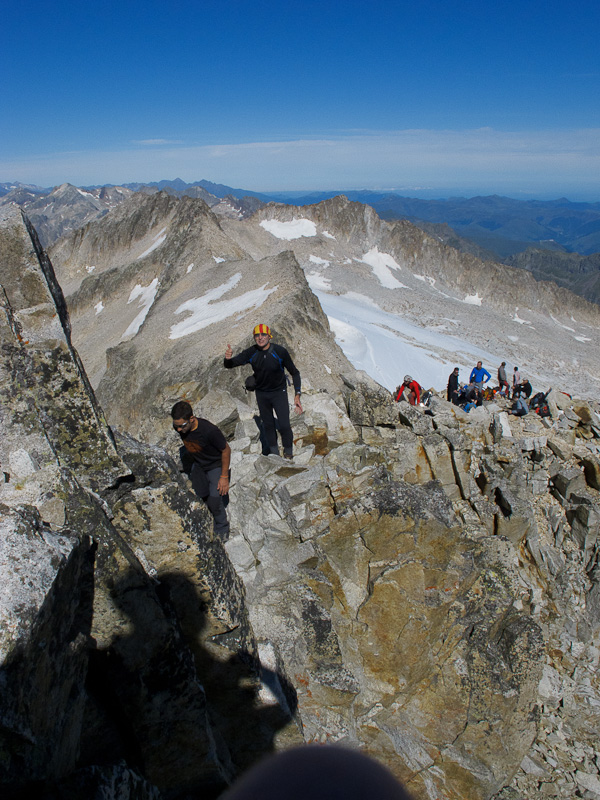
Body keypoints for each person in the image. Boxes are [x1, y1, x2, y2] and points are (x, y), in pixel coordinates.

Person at [224, 324, 302, 460]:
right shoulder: (251, 352)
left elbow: (295, 373)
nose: (260, 338)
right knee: (268, 424)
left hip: (279, 392)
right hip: (262, 393)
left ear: (269, 336)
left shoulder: (279, 351)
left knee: (284, 424)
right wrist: (227, 358)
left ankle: (288, 453)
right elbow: (230, 365)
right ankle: (274, 456)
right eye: (257, 335)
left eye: (263, 335)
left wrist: (297, 394)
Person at [171, 401, 231, 538]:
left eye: (182, 426)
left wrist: (224, 477)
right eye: (176, 426)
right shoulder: (181, 427)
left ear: (192, 419)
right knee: (200, 496)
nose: (179, 430)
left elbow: (226, 450)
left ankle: (222, 527)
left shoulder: (209, 431)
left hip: (215, 464)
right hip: (198, 464)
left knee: (215, 499)